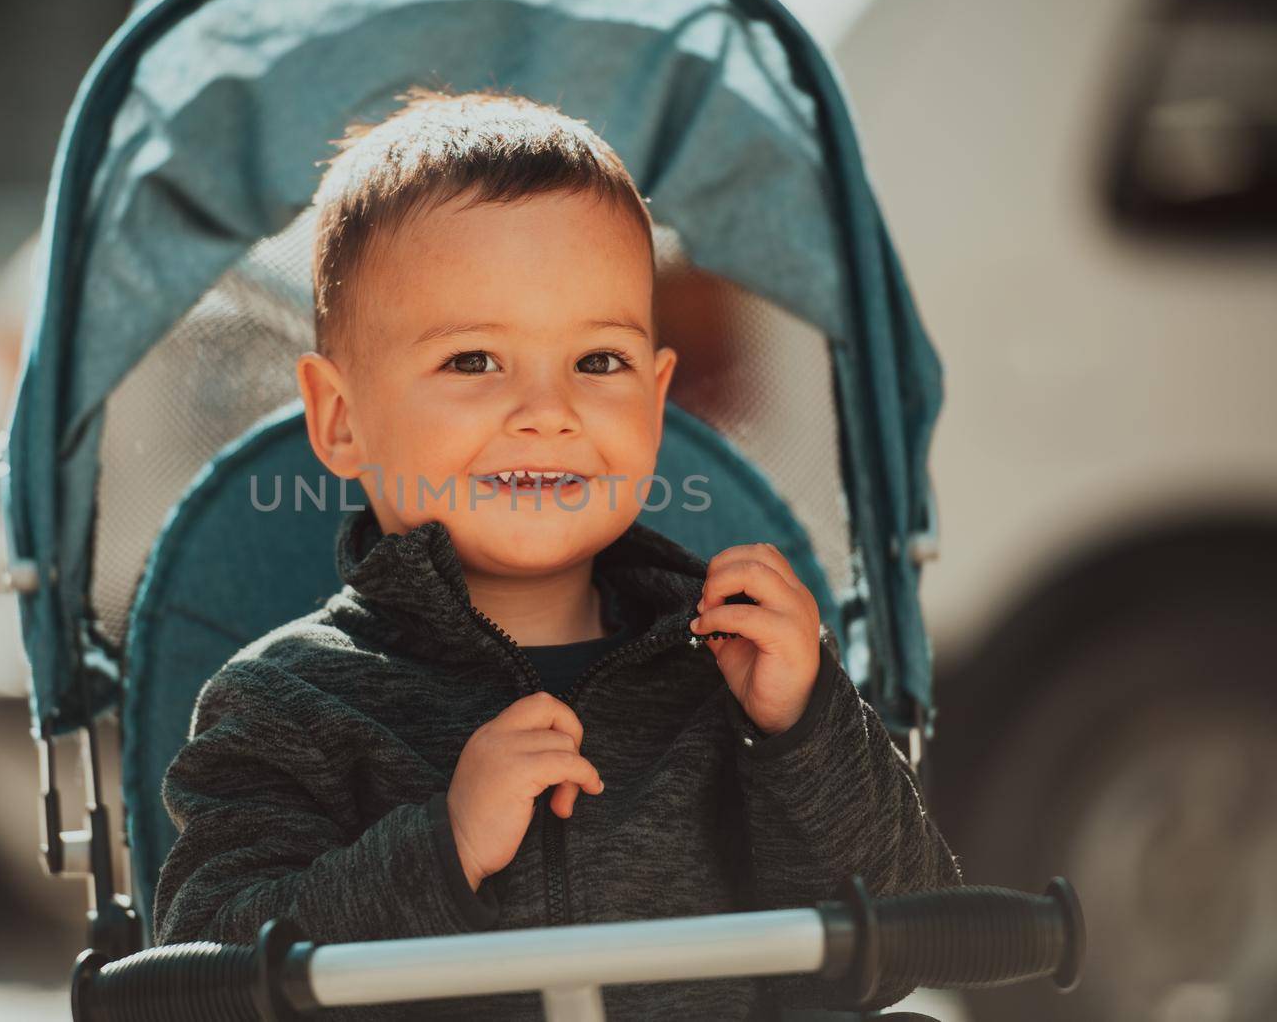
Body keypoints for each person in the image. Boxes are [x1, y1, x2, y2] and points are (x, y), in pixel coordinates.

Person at [152, 86, 963, 1019]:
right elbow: (200, 985)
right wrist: (441, 845)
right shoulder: (285, 708)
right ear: (340, 418)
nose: (549, 409)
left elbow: (905, 940)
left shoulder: (724, 680)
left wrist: (805, 725)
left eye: (598, 362)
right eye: (473, 361)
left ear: (657, 401)